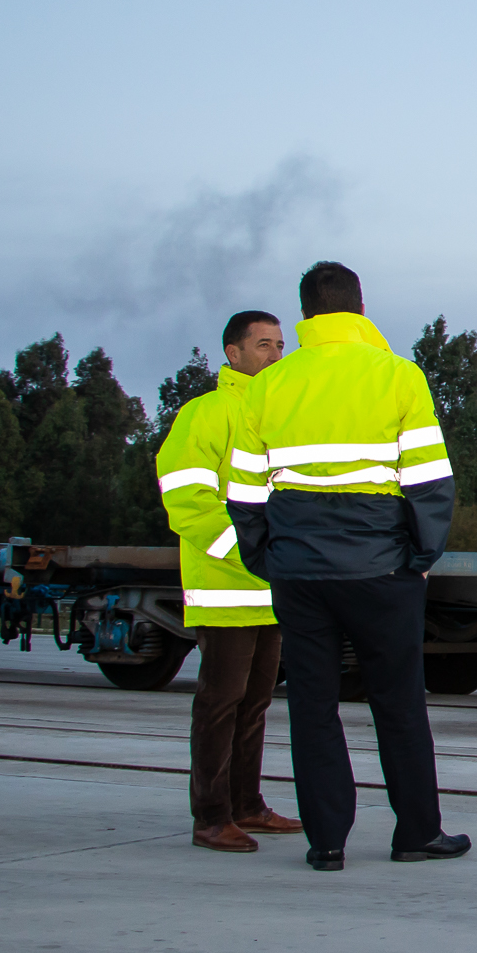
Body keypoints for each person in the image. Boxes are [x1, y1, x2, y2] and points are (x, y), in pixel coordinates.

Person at [225, 261, 468, 871]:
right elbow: (431, 482)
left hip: (300, 574)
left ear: (306, 314)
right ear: (360, 309)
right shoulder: (398, 375)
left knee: (312, 704)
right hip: (383, 571)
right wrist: (418, 556)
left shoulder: (267, 386)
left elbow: (245, 493)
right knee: (399, 704)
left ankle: (326, 842)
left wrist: (267, 557)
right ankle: (416, 833)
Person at [154, 310, 305, 853]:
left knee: (256, 704)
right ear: (232, 354)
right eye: (262, 344)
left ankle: (248, 806)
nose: (275, 354)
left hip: (270, 589)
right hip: (224, 585)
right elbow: (187, 500)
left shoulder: (278, 413)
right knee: (220, 703)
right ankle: (211, 817)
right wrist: (249, 554)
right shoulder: (208, 412)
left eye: (281, 344)